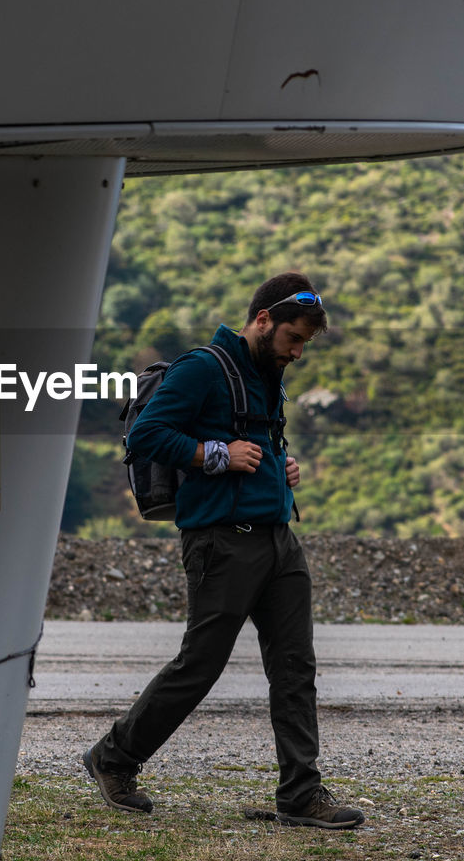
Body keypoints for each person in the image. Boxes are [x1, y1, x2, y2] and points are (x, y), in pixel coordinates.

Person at [82, 272, 365, 829]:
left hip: (279, 540)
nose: (299, 353)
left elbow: (256, 444)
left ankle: (301, 795)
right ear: (263, 320)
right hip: (220, 542)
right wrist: (214, 453)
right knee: (200, 666)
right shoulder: (202, 369)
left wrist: (283, 470)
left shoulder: (267, 373)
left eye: (306, 342)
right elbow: (146, 437)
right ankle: (112, 759)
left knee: (295, 668)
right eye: (293, 339)